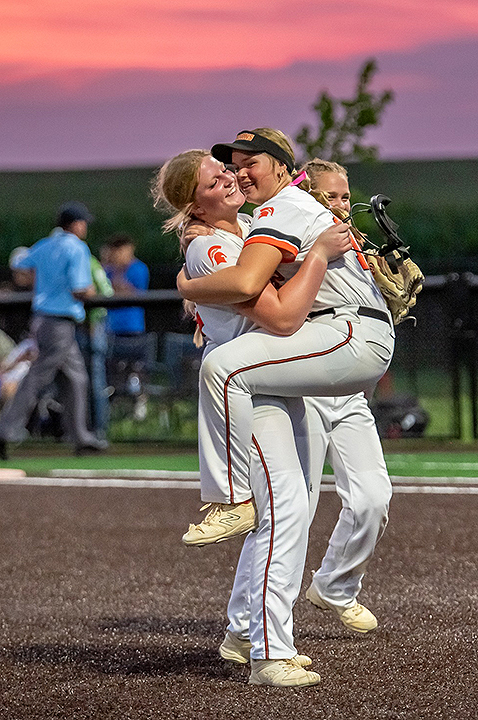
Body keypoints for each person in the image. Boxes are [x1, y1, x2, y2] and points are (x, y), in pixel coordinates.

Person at [152, 149, 353, 687]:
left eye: (225, 171)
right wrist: (318, 255)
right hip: (253, 385)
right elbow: (279, 317)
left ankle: (246, 630)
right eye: (213, 180)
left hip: (276, 379)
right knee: (282, 512)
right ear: (192, 203)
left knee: (294, 509)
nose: (229, 177)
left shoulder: (243, 224)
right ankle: (269, 652)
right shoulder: (210, 244)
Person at [176, 128, 395, 545]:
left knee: (222, 368)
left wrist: (187, 286)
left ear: (282, 167)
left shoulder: (278, 208)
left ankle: (232, 500)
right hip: (340, 334)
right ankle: (325, 587)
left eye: (250, 164)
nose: (239, 175)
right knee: (298, 500)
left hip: (343, 332)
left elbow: (247, 286)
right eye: (234, 167)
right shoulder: (274, 210)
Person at [0, 202, 108, 459]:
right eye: (83, 223)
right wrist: (94, 291)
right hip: (59, 321)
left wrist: (45, 283)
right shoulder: (76, 247)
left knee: (76, 379)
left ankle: (81, 437)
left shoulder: (45, 244)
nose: (85, 228)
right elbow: (80, 289)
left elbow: (21, 265)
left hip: (44, 319)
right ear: (75, 224)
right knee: (36, 378)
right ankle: (4, 431)